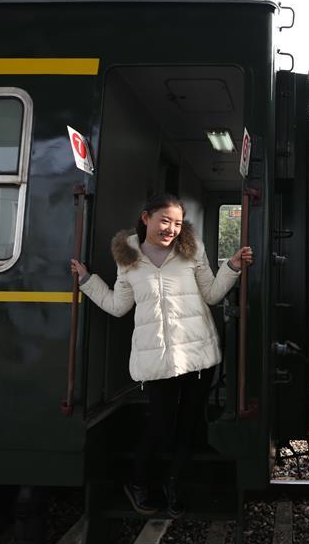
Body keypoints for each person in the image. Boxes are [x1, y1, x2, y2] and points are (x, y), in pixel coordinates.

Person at [70, 193, 253, 518]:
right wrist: (87, 281)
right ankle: (139, 483)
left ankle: (174, 487)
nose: (171, 229)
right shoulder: (127, 256)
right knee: (161, 427)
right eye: (165, 221)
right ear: (146, 219)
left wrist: (233, 267)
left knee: (188, 427)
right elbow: (118, 306)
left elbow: (211, 293)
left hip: (197, 356)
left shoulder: (191, 249)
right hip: (156, 360)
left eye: (178, 223)